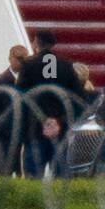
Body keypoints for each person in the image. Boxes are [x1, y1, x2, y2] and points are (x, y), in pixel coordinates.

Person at [16, 30, 85, 177]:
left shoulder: (28, 66)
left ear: (36, 43)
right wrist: (60, 121)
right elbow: (78, 100)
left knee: (33, 182)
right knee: (60, 182)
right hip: (61, 132)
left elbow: (20, 99)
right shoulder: (66, 66)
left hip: (34, 130)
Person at [0, 45, 29, 175]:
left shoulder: (29, 81)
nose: (20, 62)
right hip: (2, 137)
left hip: (23, 137)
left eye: (23, 59)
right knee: (1, 175)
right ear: (10, 59)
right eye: (18, 59)